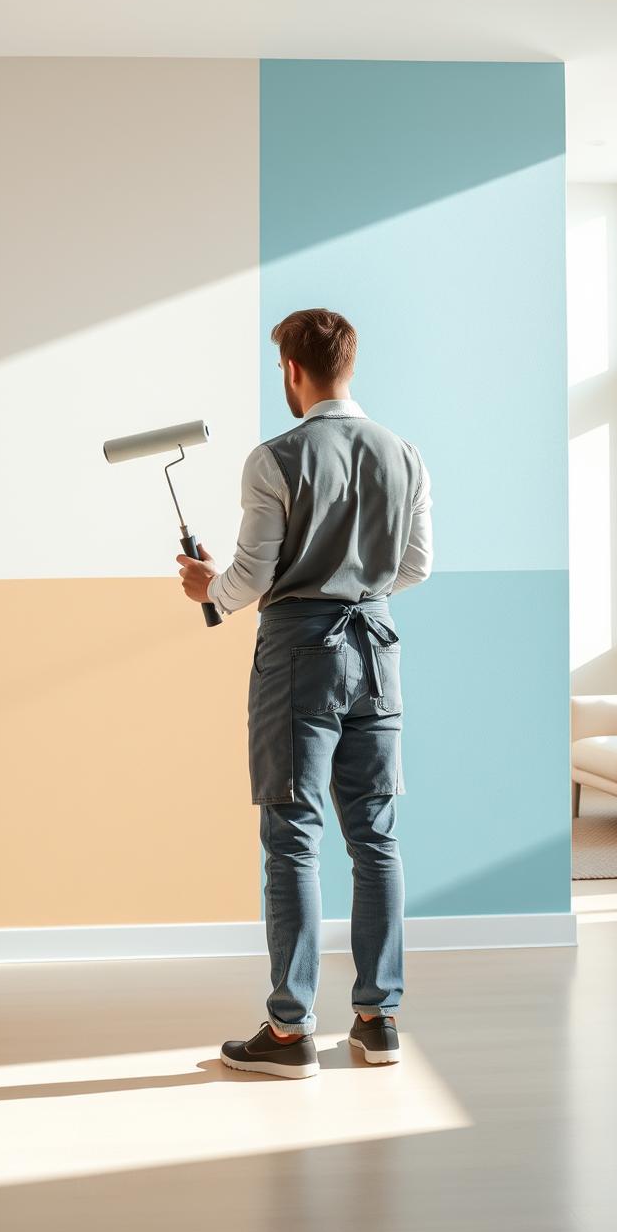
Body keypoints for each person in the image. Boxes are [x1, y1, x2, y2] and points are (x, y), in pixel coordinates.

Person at [177, 308, 433, 1079]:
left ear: (292, 369)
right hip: (378, 649)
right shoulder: (406, 454)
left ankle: (289, 1032)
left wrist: (207, 589)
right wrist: (361, 580)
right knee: (376, 835)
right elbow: (416, 565)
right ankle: (377, 1021)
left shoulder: (274, 458)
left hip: (300, 656)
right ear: (345, 364)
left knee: (293, 835)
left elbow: (250, 577)